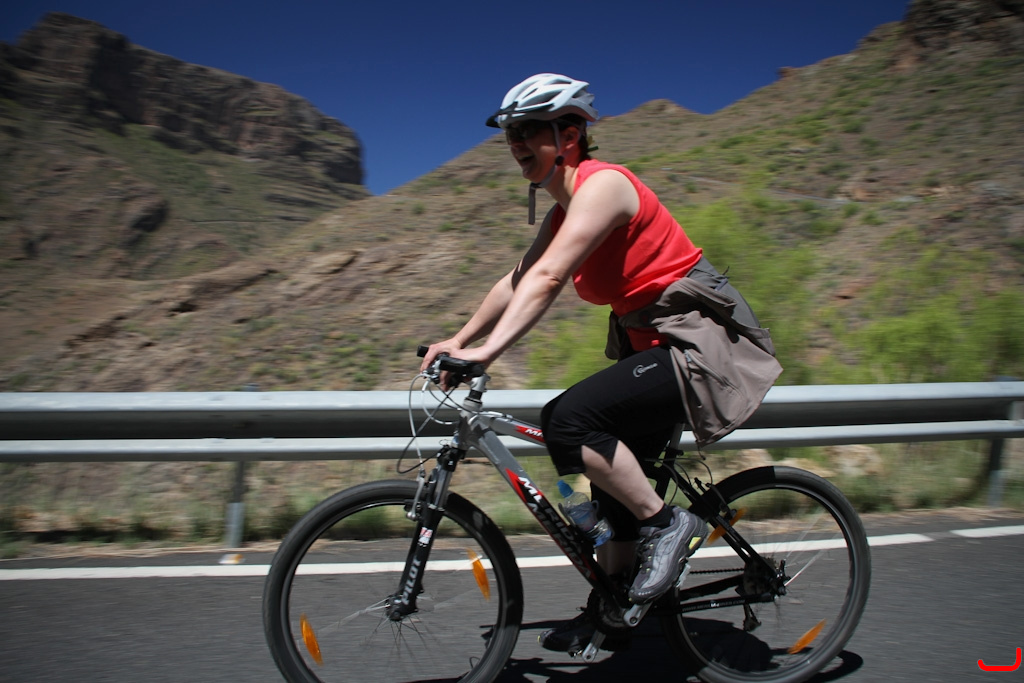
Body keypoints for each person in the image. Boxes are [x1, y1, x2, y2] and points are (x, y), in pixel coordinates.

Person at [420, 73, 782, 654]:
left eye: (527, 130)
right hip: (651, 350)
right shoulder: (562, 213)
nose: (516, 143)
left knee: (567, 419)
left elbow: (548, 278)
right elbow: (518, 279)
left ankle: (669, 526)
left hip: (693, 348)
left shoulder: (606, 186)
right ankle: (612, 608)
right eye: (510, 134)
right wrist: (458, 340)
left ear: (569, 135)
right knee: (605, 489)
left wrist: (487, 353)